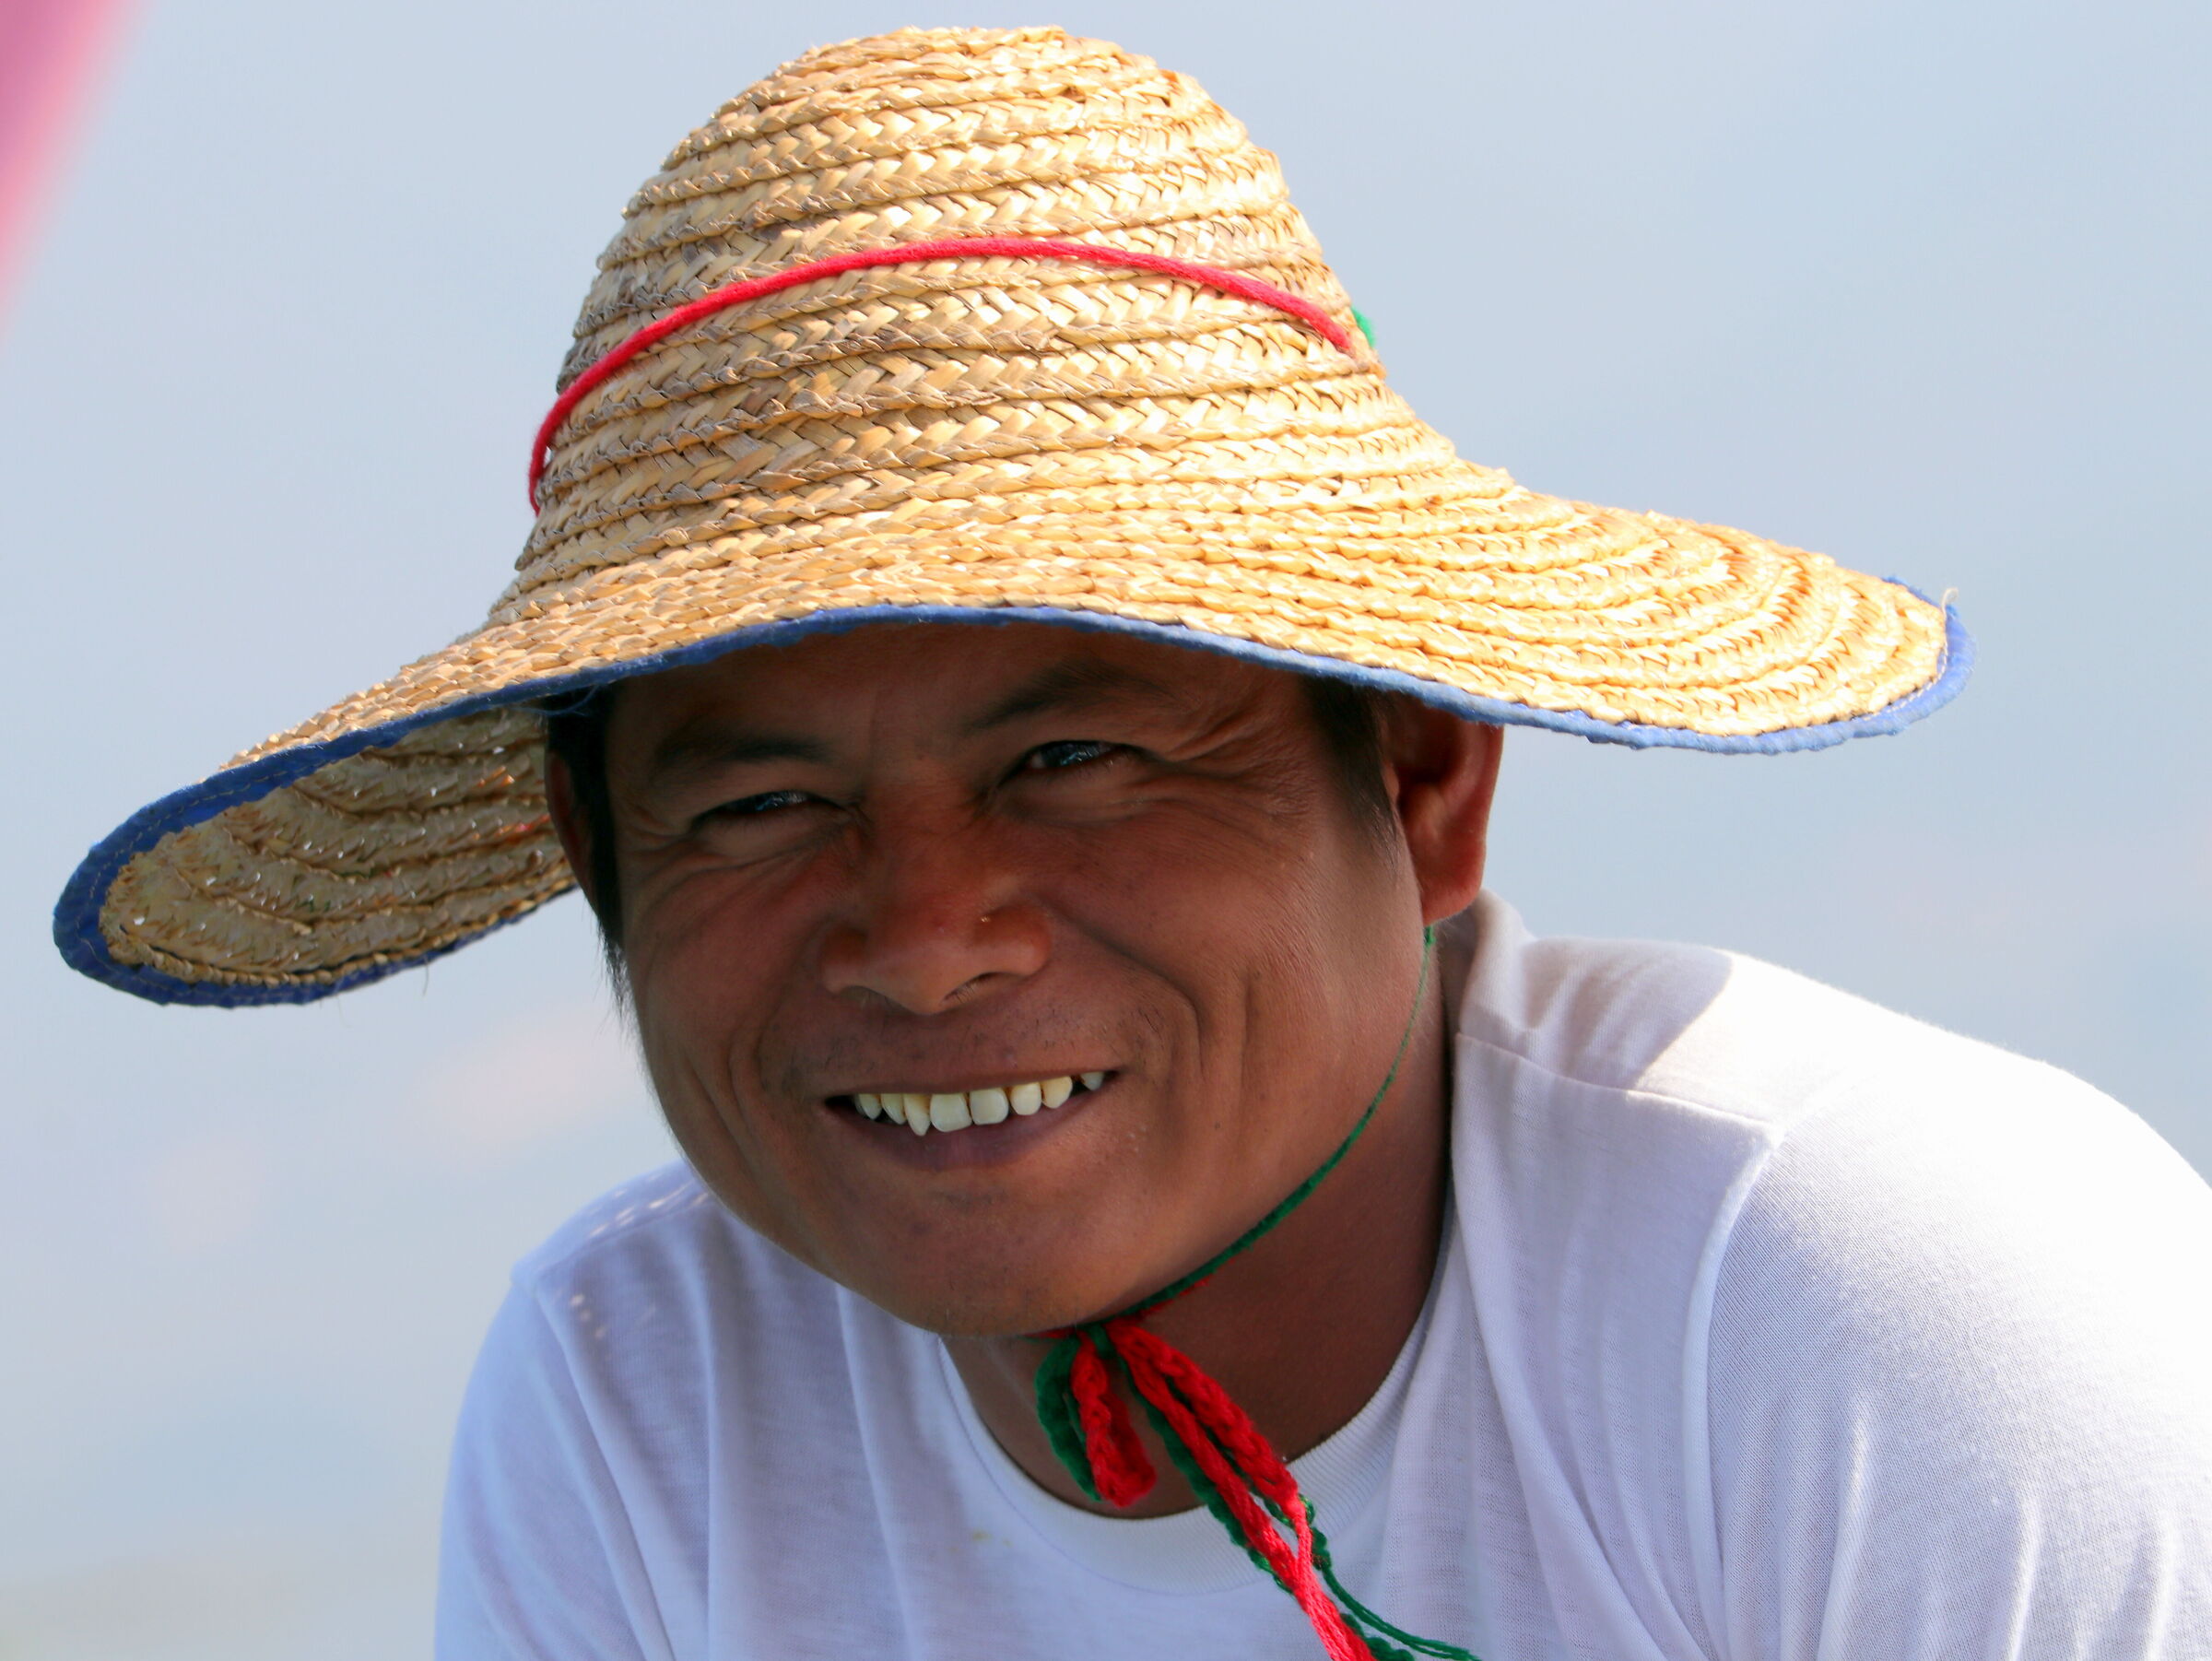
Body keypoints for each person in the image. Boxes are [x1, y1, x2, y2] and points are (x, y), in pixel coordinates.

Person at [53, 26, 2212, 1661]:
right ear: (600, 867)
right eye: (763, 804)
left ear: (1427, 782)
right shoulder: (647, 1405)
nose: (924, 936)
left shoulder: (1867, 1300)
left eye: (1077, 757)